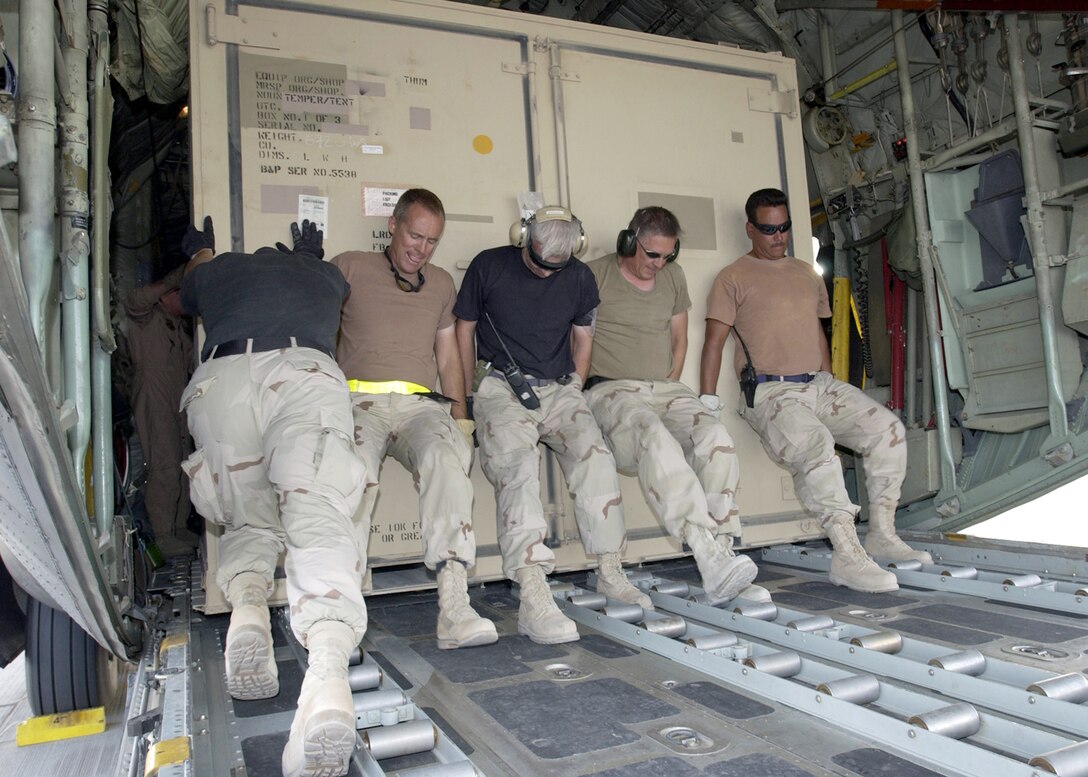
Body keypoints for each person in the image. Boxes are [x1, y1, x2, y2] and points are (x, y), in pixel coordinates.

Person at [179, 216, 367, 777]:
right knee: (317, 516)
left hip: (226, 382)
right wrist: (313, 256)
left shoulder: (221, 273)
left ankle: (250, 615)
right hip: (303, 375)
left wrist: (202, 251)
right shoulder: (326, 277)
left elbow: (189, 286)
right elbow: (326, 281)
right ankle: (328, 679)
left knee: (247, 521)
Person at [700, 188, 932, 595]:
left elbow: (817, 332)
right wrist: (707, 402)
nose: (779, 237)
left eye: (785, 227)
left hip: (818, 385)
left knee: (887, 431)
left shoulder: (806, 273)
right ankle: (847, 554)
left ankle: (881, 533)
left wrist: (829, 381)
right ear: (750, 229)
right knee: (816, 445)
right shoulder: (733, 277)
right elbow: (714, 343)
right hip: (772, 394)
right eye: (769, 229)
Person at [454, 205, 650, 645]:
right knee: (516, 467)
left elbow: (584, 335)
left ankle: (609, 568)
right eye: (539, 263)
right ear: (523, 237)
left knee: (596, 456)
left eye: (555, 268)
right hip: (501, 386)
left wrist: (575, 386)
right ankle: (533, 591)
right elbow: (463, 331)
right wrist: (468, 395)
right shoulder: (489, 266)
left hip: (559, 388)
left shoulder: (579, 277)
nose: (546, 274)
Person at [330, 189, 496, 650]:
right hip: (358, 403)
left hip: (422, 406)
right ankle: (340, 614)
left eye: (431, 242)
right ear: (394, 226)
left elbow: (448, 354)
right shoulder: (350, 267)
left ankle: (455, 605)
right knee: (352, 475)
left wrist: (461, 418)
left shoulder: (441, 283)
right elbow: (318, 331)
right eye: (415, 235)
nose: (420, 249)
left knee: (446, 460)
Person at [583, 206, 761, 604]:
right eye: (651, 255)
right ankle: (704, 550)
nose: (658, 264)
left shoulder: (673, 277)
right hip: (612, 390)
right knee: (653, 434)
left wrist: (671, 386)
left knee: (714, 434)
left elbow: (680, 340)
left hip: (665, 388)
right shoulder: (594, 275)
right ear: (629, 241)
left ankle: (722, 553)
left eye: (668, 256)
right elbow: (577, 339)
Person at [123, 262, 197, 556]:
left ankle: (177, 527)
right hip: (153, 394)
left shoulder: (177, 328)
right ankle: (163, 534)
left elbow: (196, 359)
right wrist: (173, 279)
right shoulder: (147, 318)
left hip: (176, 396)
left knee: (181, 461)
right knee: (164, 464)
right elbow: (134, 301)